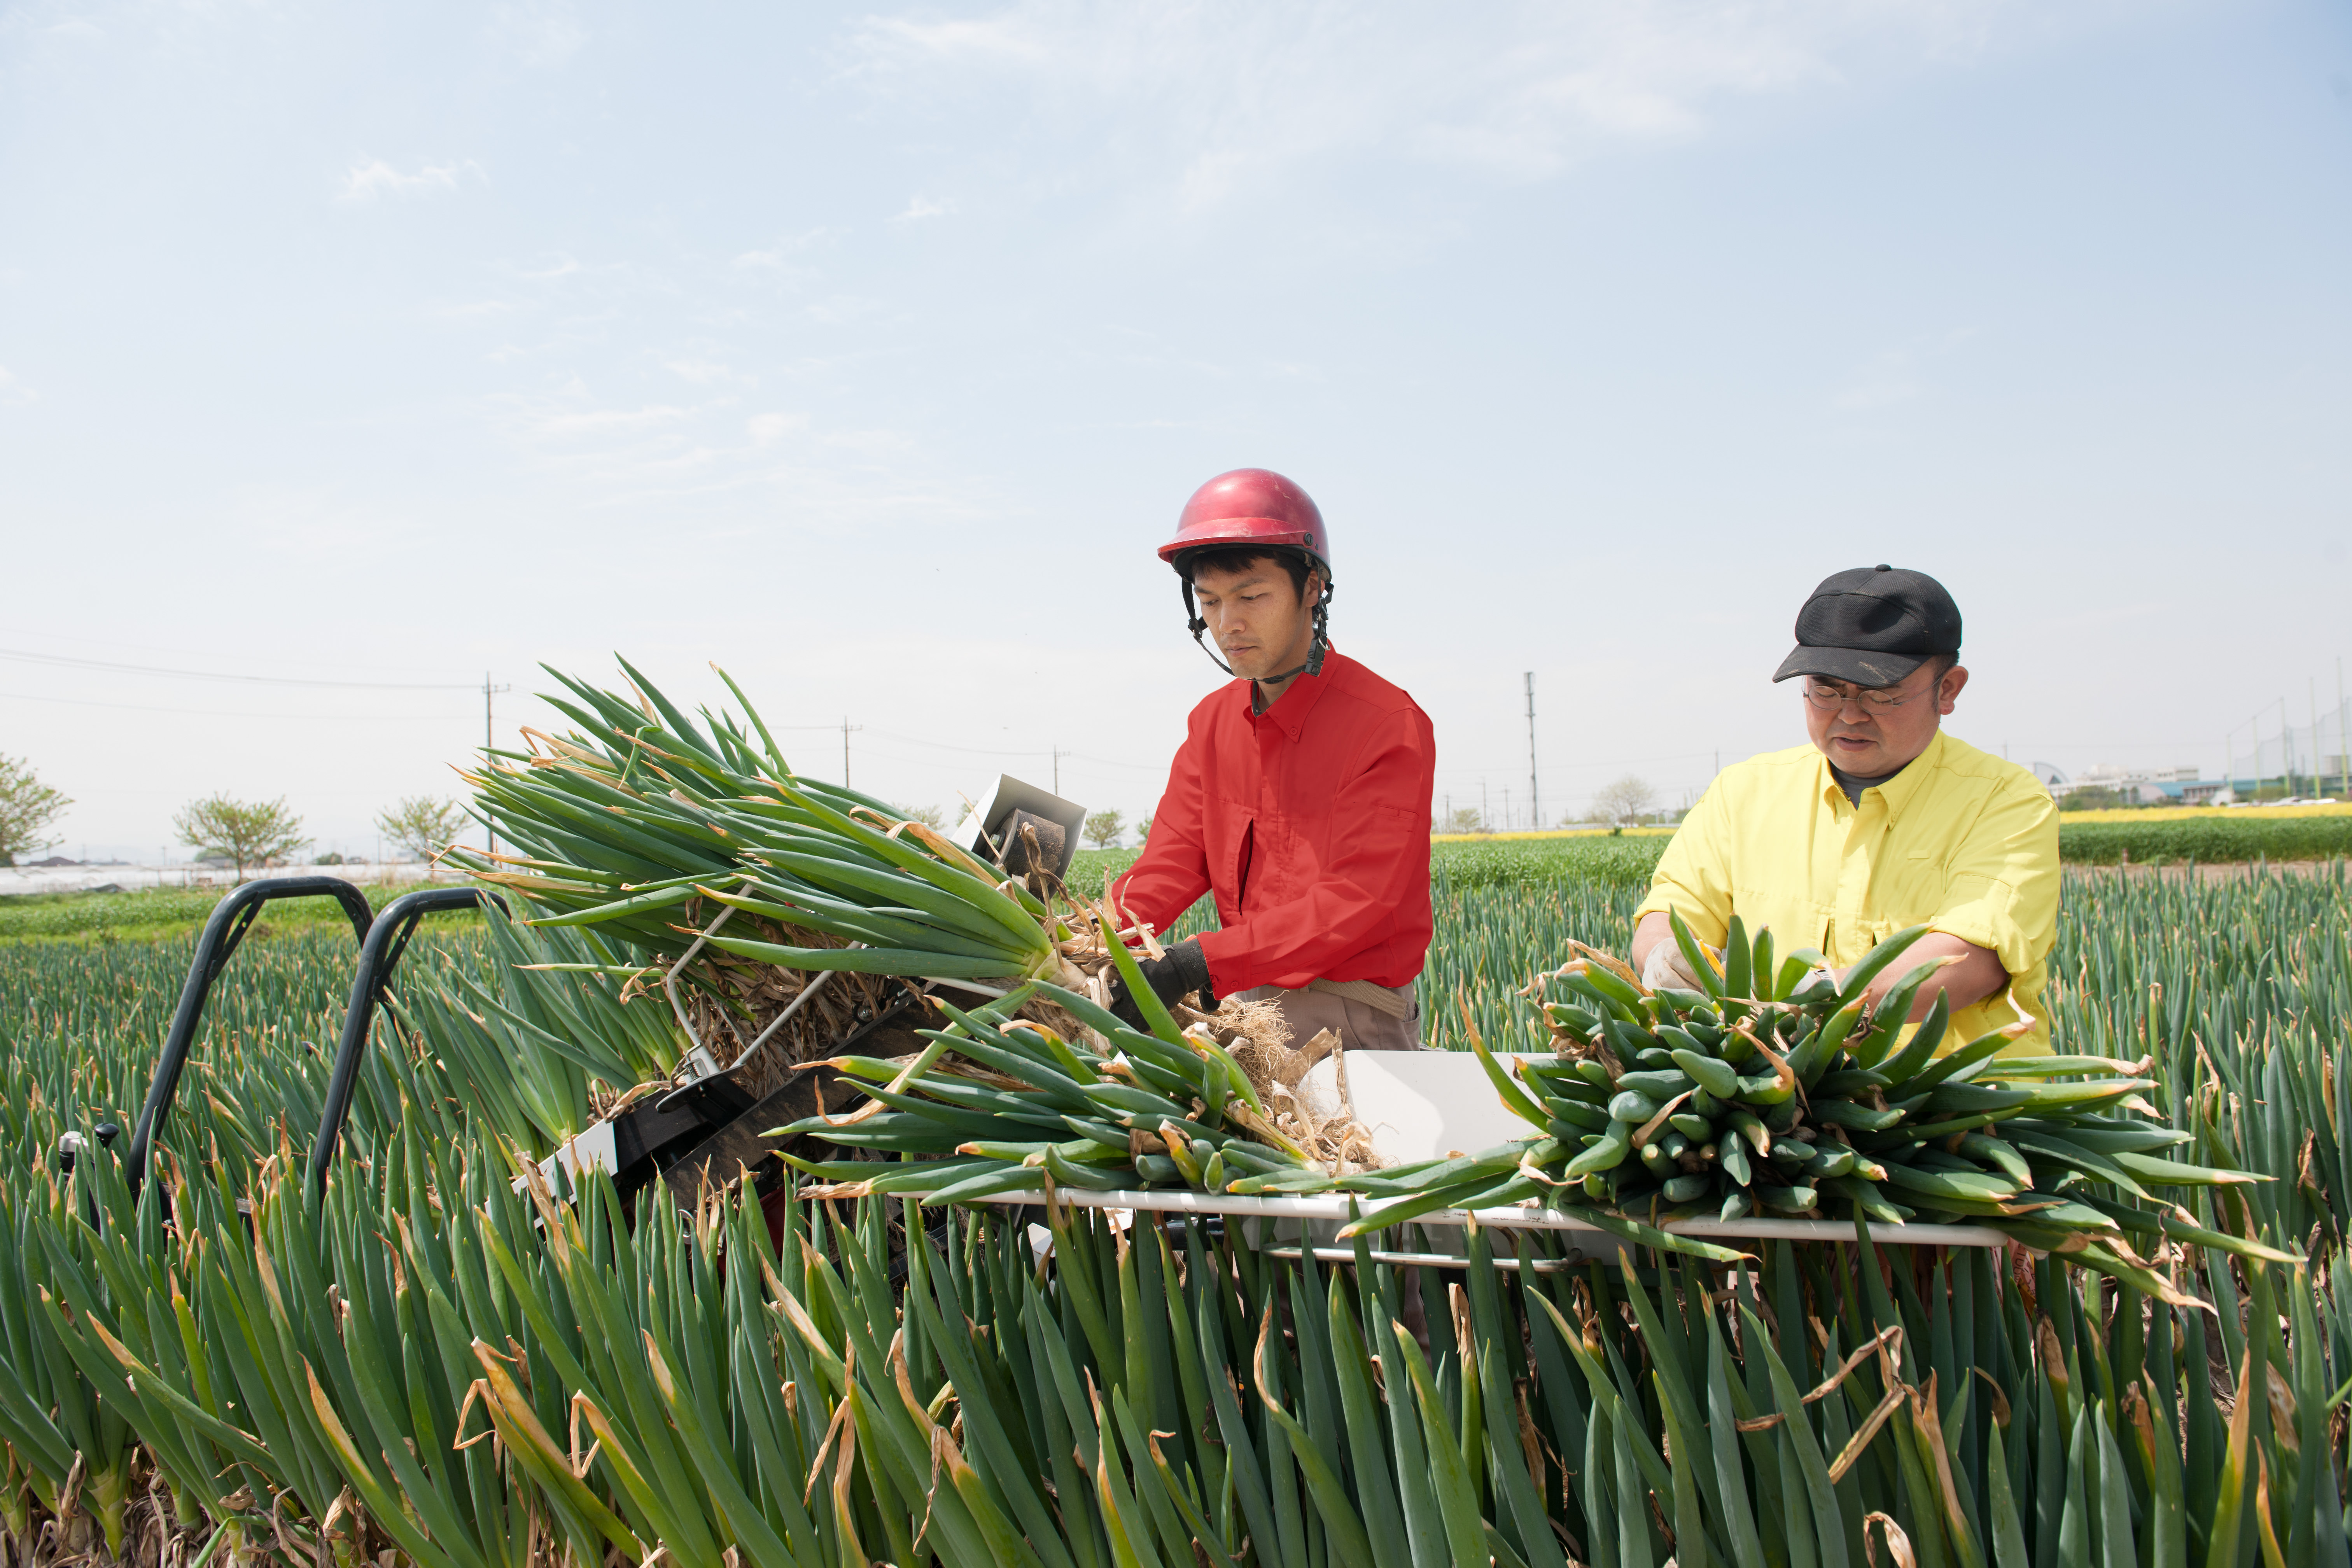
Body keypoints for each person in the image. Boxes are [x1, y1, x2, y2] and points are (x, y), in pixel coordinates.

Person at [1628, 565, 2059, 1050]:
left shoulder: (2006, 801)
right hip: (1786, 1104)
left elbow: (1967, 961)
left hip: (1960, 1109)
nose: (1850, 714)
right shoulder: (1744, 792)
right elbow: (1671, 912)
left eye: (1881, 694)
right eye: (1826, 690)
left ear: (1948, 689)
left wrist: (1812, 1005)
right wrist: (1664, 955)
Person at [1105, 468, 1437, 1051]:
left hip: (1353, 1016)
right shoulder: (1211, 723)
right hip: (1242, 1008)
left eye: (1252, 597)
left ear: (1312, 588)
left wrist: (1197, 964)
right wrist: (1094, 935)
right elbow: (1170, 865)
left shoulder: (1387, 725)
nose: (1228, 624)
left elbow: (1355, 902)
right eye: (1209, 602)